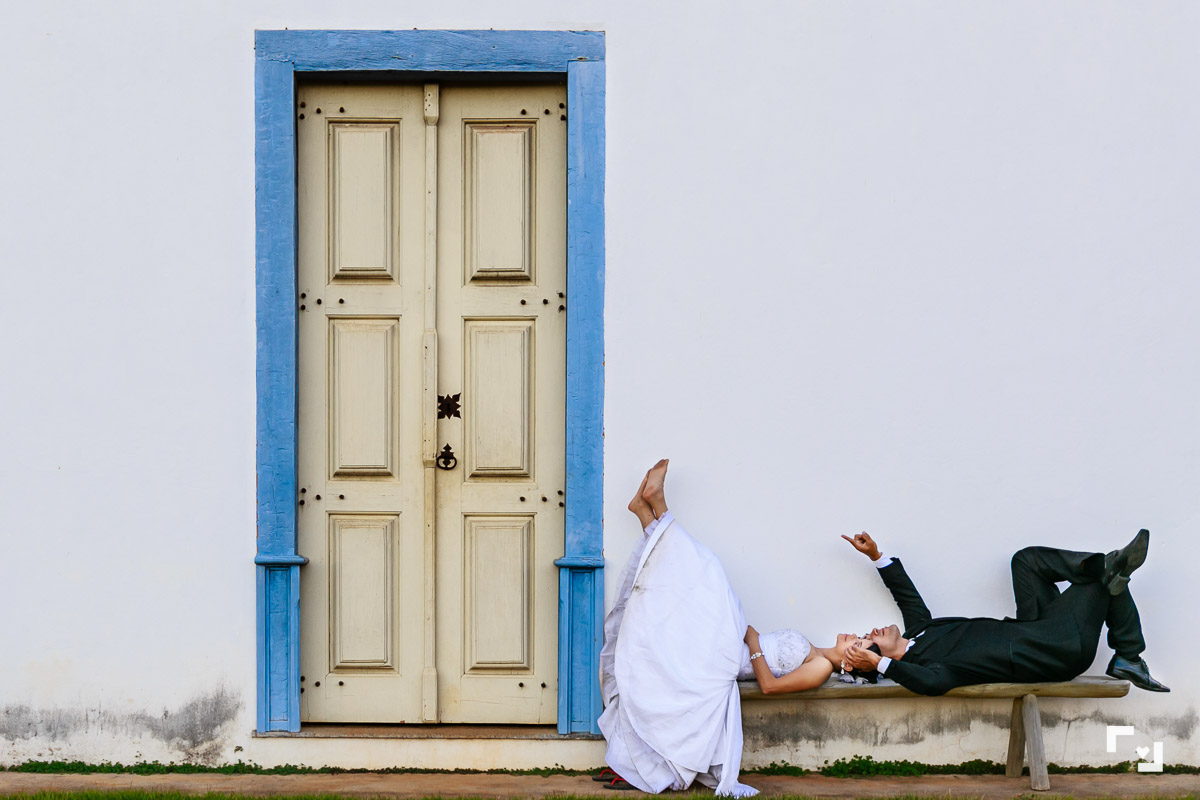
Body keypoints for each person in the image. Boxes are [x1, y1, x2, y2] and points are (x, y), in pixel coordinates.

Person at [598, 461, 874, 796]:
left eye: (857, 646)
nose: (853, 637)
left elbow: (770, 686)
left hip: (730, 657)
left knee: (706, 573)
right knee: (685, 592)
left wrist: (754, 641)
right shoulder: (815, 650)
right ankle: (648, 513)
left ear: (849, 665)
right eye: (860, 636)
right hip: (730, 643)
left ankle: (656, 509)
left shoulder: (819, 668)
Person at [840, 530, 1169, 695]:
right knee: (1105, 581)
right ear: (879, 658)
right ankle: (1128, 652)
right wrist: (879, 665)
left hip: (1033, 628)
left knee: (1026, 561)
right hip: (1055, 649)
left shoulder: (920, 632)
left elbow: (907, 596)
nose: (871, 632)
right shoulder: (928, 666)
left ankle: (1108, 574)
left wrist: (876, 556)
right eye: (868, 641)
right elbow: (930, 684)